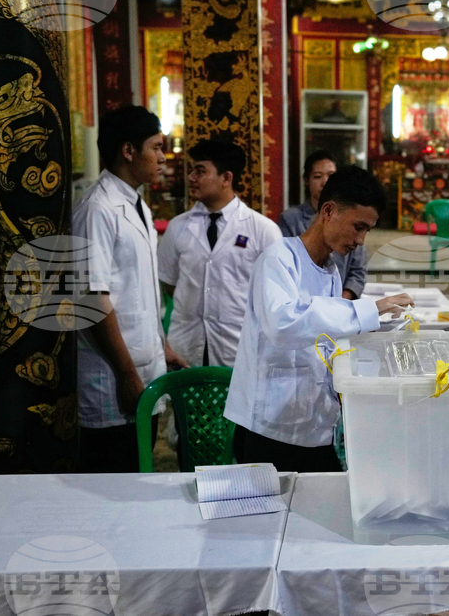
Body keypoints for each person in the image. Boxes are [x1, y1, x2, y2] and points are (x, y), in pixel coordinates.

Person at [224, 166, 413, 472]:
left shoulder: (331, 271)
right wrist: (370, 309)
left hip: (314, 422)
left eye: (367, 230)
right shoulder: (279, 259)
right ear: (328, 211)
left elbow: (327, 337)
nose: (361, 240)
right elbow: (284, 325)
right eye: (358, 226)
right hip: (270, 425)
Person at [74, 106, 188, 473]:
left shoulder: (135, 202)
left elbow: (138, 291)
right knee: (115, 477)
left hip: (142, 365)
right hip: (113, 377)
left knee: (140, 467)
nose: (162, 157)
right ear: (128, 151)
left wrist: (162, 346)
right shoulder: (98, 208)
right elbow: (93, 296)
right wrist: (125, 373)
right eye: (156, 147)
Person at [157, 139, 282, 367]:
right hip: (185, 345)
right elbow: (171, 284)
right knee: (185, 401)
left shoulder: (262, 230)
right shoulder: (178, 227)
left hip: (238, 348)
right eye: (192, 170)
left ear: (226, 178)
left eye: (200, 171)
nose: (191, 178)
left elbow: (274, 293)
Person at [277, 150, 367, 299]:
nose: (325, 181)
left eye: (331, 176)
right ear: (306, 180)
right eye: (318, 176)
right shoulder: (290, 219)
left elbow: (357, 272)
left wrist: (340, 304)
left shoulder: (352, 219)